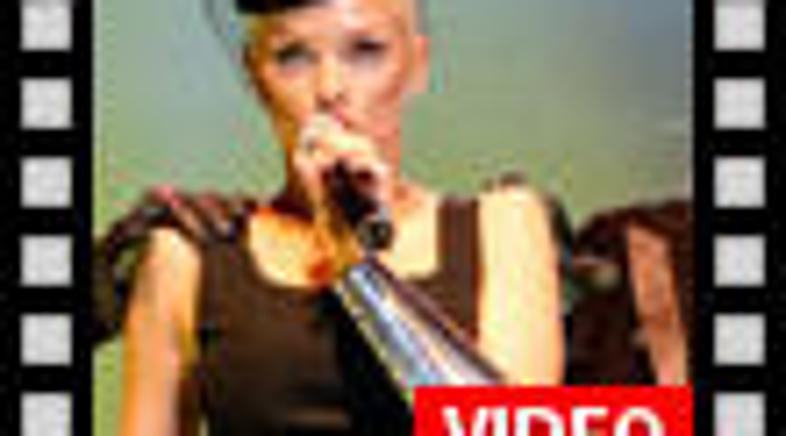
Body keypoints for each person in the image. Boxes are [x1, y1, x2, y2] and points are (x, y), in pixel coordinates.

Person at [108, 0, 565, 434]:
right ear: (256, 78)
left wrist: (358, 266)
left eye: (365, 51)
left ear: (416, 64)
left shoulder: (502, 224)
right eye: (292, 56)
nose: (329, 89)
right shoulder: (190, 253)